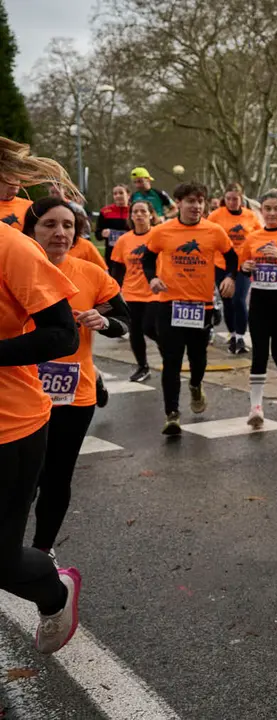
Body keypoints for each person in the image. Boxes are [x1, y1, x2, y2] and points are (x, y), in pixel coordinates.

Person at [0, 138, 86, 654]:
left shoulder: (13, 246)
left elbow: (61, 334)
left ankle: (56, 593)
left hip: (10, 426)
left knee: (1, 559)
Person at [23, 197, 129, 561]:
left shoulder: (90, 273)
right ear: (30, 230)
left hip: (71, 390)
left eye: (68, 225)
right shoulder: (14, 268)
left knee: (56, 474)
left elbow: (123, 321)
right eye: (49, 224)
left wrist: (105, 322)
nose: (60, 233)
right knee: (25, 475)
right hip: (18, 389)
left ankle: (42, 549)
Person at [142, 182, 238, 435]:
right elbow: (148, 257)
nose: (196, 206)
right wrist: (152, 278)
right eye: (190, 201)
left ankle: (196, 385)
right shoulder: (163, 231)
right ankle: (171, 414)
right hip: (169, 304)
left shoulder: (214, 231)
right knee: (171, 360)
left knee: (198, 358)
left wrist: (230, 277)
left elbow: (232, 257)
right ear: (179, 204)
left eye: (200, 201)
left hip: (201, 305)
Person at [240, 191, 277, 428]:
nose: (272, 213)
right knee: (259, 353)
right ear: (261, 210)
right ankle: (256, 407)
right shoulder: (253, 237)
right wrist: (246, 267)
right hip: (259, 300)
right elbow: (244, 267)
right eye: (268, 208)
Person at [208, 183, 263, 355]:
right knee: (227, 301)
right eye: (228, 198)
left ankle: (240, 337)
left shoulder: (250, 216)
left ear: (241, 198)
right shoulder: (216, 215)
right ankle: (232, 335)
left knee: (239, 299)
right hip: (221, 264)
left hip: (243, 264)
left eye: (235, 199)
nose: (232, 202)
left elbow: (259, 236)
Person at [110, 200, 161, 382]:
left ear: (150, 215)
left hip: (155, 291)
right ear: (131, 216)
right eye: (135, 212)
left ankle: (169, 353)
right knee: (136, 332)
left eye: (143, 211)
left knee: (150, 327)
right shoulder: (124, 240)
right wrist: (113, 292)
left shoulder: (159, 235)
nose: (139, 215)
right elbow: (117, 268)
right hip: (131, 291)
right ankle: (142, 366)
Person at [95, 184, 132, 277]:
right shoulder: (105, 211)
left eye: (121, 193)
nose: (118, 196)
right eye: (115, 194)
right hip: (112, 253)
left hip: (131, 251)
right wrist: (103, 233)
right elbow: (97, 234)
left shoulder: (134, 210)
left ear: (128, 195)